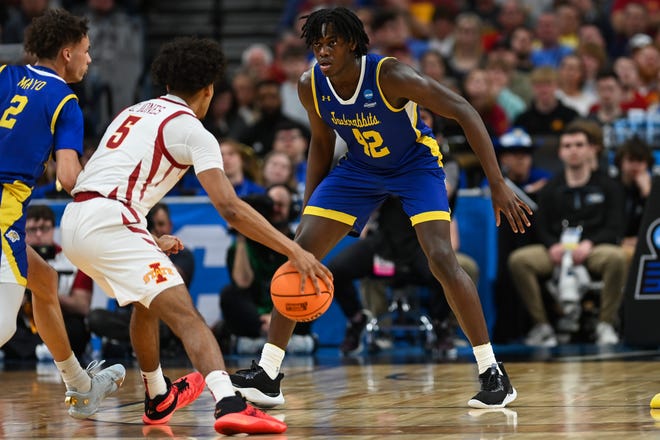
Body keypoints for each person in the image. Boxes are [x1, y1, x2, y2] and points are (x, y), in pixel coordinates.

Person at [231, 7, 532, 410]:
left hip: (414, 164)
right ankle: (268, 374)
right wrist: (308, 210)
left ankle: (492, 371)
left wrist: (497, 183)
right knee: (298, 254)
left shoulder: (390, 75)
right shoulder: (310, 85)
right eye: (317, 43)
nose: (323, 51)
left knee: (442, 258)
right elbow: (321, 145)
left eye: (332, 42)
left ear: (352, 43)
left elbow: (464, 110)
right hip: (359, 168)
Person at [59, 36, 331, 435]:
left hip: (78, 220)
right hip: (111, 222)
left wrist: (146, 236)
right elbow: (231, 208)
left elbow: (105, 182)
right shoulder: (192, 130)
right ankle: (228, 402)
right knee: (187, 314)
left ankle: (157, 396)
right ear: (208, 90)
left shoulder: (130, 113)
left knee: (146, 301)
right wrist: (295, 250)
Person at [0, 8, 125, 419]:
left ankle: (80, 386)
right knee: (2, 327)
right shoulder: (66, 101)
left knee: (46, 281)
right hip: (3, 210)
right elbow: (70, 175)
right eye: (87, 52)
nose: (90, 60)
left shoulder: (4, 74)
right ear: (67, 53)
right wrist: (112, 200)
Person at [508, 126, 627, 347]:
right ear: (560, 153)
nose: (573, 150)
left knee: (617, 257)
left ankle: (605, 324)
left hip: (593, 248)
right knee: (520, 260)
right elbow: (540, 227)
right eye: (567, 146)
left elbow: (615, 226)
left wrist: (590, 243)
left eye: (579, 145)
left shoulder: (609, 186)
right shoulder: (551, 188)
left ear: (591, 150)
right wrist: (553, 246)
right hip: (558, 249)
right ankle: (542, 326)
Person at [219, 186, 314, 355]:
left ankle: (258, 342)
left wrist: (275, 319)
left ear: (292, 210)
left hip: (288, 311)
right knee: (229, 294)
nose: (275, 209)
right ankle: (278, 339)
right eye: (270, 205)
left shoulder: (298, 244)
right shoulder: (242, 245)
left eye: (280, 205)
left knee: (310, 290)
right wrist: (242, 232)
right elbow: (242, 283)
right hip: (255, 317)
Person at [25, 205, 93, 360]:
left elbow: (82, 306)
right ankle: (39, 351)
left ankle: (37, 352)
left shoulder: (72, 259)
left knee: (77, 328)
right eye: (32, 230)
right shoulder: (12, 261)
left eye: (44, 228)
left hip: (61, 321)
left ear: (53, 229)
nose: (39, 234)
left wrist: (43, 292)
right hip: (26, 322)